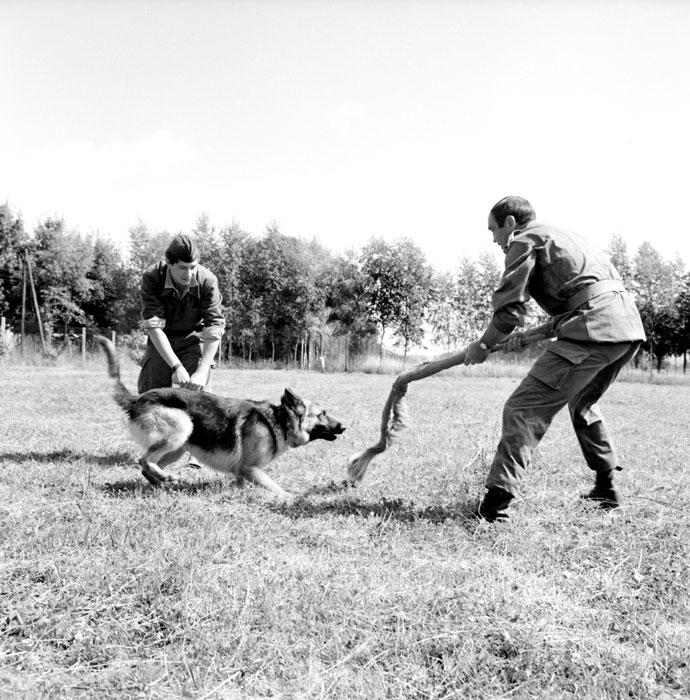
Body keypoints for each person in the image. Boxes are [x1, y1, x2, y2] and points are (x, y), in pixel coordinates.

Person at [464, 196, 646, 522]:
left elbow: (508, 312)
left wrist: (483, 344)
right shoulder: (565, 236)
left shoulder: (523, 240)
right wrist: (525, 338)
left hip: (592, 331)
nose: (494, 240)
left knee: (523, 408)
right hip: (625, 328)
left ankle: (496, 507)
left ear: (509, 222)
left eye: (493, 230)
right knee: (582, 402)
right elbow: (584, 300)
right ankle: (606, 488)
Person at [138, 233, 226, 393]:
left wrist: (203, 369)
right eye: (183, 268)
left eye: (193, 267)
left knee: (202, 400)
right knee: (150, 398)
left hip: (193, 340)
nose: (189, 273)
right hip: (161, 341)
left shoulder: (208, 281)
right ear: (169, 263)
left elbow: (214, 328)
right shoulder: (152, 277)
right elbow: (154, 327)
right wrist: (176, 366)